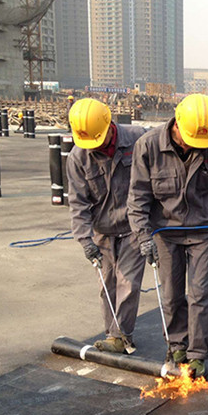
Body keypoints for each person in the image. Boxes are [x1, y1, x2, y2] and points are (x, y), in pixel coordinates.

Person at [127, 94, 208, 379]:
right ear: (177, 124)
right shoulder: (148, 146)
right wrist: (142, 235)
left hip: (203, 231)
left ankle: (197, 355)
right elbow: (138, 196)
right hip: (165, 233)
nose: (195, 146)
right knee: (171, 295)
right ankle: (177, 347)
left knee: (202, 294)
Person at [66, 98, 148, 354]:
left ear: (109, 125)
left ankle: (120, 336)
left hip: (134, 227)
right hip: (102, 230)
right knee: (107, 286)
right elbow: (77, 202)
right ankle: (112, 334)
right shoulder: (78, 156)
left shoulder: (138, 139)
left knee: (128, 283)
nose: (95, 147)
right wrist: (84, 239)